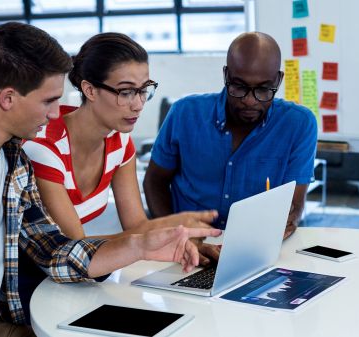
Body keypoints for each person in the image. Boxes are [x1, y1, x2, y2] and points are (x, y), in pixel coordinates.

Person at [0, 22, 220, 337]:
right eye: (49, 101)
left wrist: (140, 246)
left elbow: (53, 250)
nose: (54, 114)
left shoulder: (14, 158)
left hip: (0, 320)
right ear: (8, 98)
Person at [19, 32, 220, 320]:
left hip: (81, 280)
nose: (138, 104)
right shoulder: (44, 149)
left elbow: (136, 224)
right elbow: (76, 248)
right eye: (126, 92)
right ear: (89, 89)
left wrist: (167, 234)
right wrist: (167, 227)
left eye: (143, 89)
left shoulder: (119, 141)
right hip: (36, 287)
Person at [143, 32, 317, 239]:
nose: (250, 101)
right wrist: (176, 236)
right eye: (239, 87)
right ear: (226, 75)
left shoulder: (298, 124)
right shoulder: (185, 113)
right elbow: (154, 182)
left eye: (263, 89)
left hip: (253, 244)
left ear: (278, 80)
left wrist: (288, 222)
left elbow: (293, 205)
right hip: (186, 243)